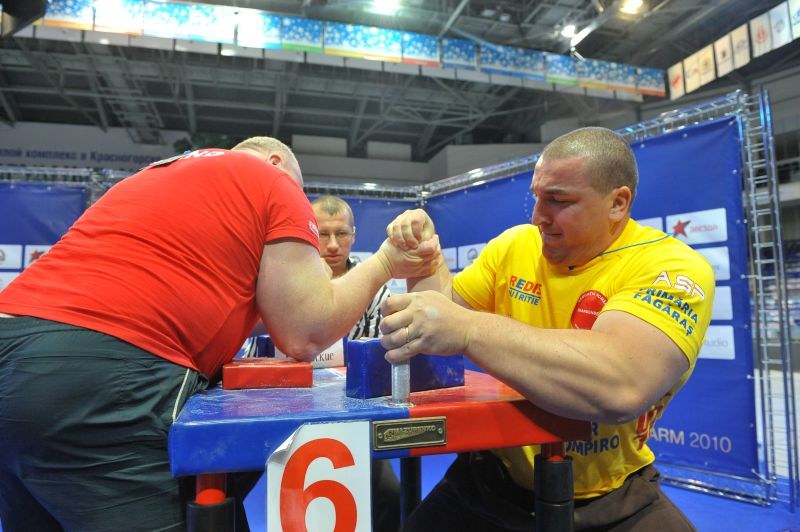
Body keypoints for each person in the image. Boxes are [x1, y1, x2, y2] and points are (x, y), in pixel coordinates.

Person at [0, 136, 439, 531]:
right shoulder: (271, 179)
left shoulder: (150, 178)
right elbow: (304, 333)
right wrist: (385, 262)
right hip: (101, 372)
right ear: (275, 162)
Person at [379, 127, 715, 531]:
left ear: (618, 203)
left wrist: (469, 329)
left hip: (610, 497)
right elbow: (438, 325)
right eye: (537, 197)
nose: (538, 216)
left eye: (558, 200)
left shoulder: (672, 267)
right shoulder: (514, 246)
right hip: (488, 482)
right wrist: (426, 261)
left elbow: (622, 383)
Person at [311, 194, 400, 532]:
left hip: (356, 413)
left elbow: (378, 359)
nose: (333, 244)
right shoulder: (288, 283)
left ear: (354, 235)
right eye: (323, 234)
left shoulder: (375, 288)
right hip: (295, 413)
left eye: (341, 234)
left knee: (391, 497)